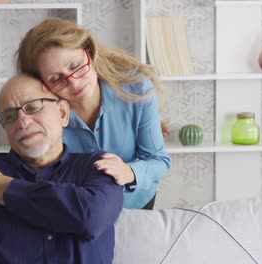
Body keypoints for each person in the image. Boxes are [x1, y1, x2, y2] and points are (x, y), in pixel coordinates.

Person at [0, 74, 123, 264]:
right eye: (9, 116)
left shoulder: (98, 166)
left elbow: (92, 218)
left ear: (63, 114)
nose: (23, 122)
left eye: (33, 107)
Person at [15, 17, 171, 209]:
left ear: (88, 51)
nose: (74, 83)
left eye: (75, 66)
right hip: (81, 211)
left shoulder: (136, 87)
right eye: (56, 78)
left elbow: (158, 161)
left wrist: (129, 171)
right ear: (42, 86)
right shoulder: (41, 117)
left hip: (135, 204)